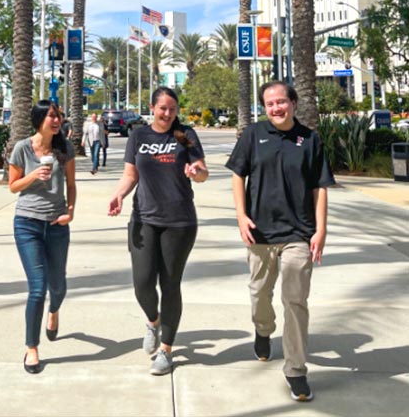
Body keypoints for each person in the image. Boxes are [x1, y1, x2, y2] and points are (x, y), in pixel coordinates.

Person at [226, 82, 335, 402]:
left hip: (298, 234)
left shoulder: (310, 140)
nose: (276, 108)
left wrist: (321, 229)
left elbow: (320, 186)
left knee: (295, 301)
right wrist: (241, 215)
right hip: (259, 232)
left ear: (294, 103)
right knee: (260, 293)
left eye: (281, 102)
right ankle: (263, 330)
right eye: (270, 103)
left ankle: (296, 370)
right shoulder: (253, 135)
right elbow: (237, 175)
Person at [108, 87, 208, 376]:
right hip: (144, 218)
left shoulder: (186, 134)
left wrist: (196, 172)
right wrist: (119, 196)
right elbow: (130, 174)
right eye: (162, 108)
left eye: (172, 109)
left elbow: (202, 170)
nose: (167, 113)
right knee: (141, 282)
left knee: (170, 283)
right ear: (152, 107)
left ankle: (166, 349)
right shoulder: (139, 135)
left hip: (180, 221)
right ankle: (153, 320)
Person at [9, 100, 76, 374]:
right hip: (27, 224)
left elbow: (71, 185)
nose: (57, 120)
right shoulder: (22, 148)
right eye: (51, 116)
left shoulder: (64, 148)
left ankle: (55, 311)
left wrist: (70, 212)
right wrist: (34, 174)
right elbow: (13, 186)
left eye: (58, 116)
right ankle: (31, 348)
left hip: (57, 224)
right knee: (38, 288)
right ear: (39, 119)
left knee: (58, 286)